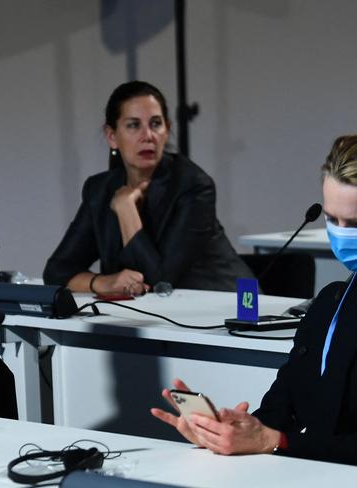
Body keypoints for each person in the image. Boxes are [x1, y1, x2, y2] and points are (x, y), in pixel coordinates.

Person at [151, 134, 357, 465]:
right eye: (332, 220)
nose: (342, 233)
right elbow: (283, 410)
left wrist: (274, 441)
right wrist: (232, 430)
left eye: (355, 223)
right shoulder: (330, 304)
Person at [43, 81, 252, 296]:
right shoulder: (99, 190)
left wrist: (126, 210)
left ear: (167, 130)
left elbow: (161, 283)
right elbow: (57, 270)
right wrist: (101, 282)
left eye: (155, 124)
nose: (148, 136)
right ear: (112, 136)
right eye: (133, 125)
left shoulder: (193, 186)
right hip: (159, 318)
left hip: (231, 311)